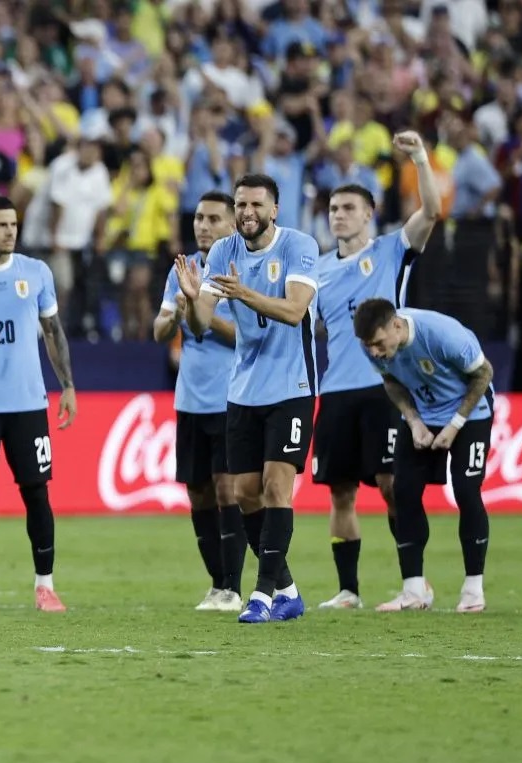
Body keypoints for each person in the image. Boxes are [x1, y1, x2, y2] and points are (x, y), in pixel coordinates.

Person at [177, 174, 321, 624]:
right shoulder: (223, 251)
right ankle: (290, 590)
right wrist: (190, 299)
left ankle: (260, 596)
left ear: (274, 210)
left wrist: (245, 294)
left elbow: (295, 311)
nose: (246, 213)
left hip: (292, 387)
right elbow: (202, 323)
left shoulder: (299, 246)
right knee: (244, 494)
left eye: (256, 205)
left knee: (277, 487)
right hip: (242, 391)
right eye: (240, 205)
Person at [313, 131, 441, 610]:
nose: (339, 215)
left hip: (386, 389)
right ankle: (348, 590)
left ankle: (417, 582)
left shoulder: (391, 249)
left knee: (392, 485)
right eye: (333, 209)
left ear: (368, 213)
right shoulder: (319, 270)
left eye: (348, 208)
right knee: (339, 492)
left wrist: (420, 159)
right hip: (337, 392)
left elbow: (430, 212)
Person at [0, 195, 76, 614]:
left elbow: (54, 333)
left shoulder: (36, 272)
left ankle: (45, 586)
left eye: (14, 224)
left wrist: (68, 387)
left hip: (27, 404)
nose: (10, 231)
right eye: (1, 225)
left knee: (37, 493)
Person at [353, 299, 494, 614]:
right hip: (422, 414)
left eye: (378, 343)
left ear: (397, 326)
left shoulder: (444, 335)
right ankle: (414, 591)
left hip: (470, 415)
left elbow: (484, 374)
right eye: (368, 346)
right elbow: (391, 381)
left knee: (467, 492)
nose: (374, 351)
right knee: (402, 492)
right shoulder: (370, 346)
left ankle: (473, 591)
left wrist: (455, 425)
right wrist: (413, 420)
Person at [153, 191, 244, 612]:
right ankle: (216, 584)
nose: (203, 226)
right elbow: (159, 331)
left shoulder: (240, 269)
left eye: (213, 219)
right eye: (198, 219)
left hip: (231, 396)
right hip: (189, 398)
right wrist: (176, 313)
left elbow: (243, 336)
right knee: (199, 492)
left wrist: (199, 312)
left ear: (232, 224)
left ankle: (234, 586)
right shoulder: (183, 269)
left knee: (229, 490)